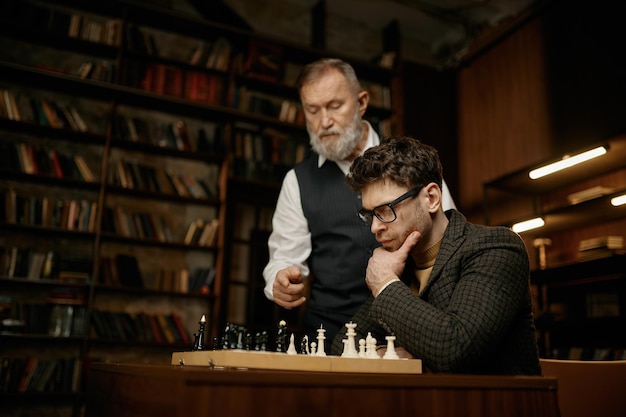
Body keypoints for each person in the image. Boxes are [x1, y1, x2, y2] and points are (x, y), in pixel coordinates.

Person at [262, 58, 456, 341]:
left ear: (362, 102)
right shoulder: (297, 181)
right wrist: (279, 279)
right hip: (329, 333)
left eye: (335, 106)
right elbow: (284, 257)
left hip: (409, 329)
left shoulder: (412, 162)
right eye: (312, 111)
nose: (324, 121)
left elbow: (451, 241)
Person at [330, 135, 541, 375]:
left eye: (385, 210)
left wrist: (385, 284)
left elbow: (456, 351)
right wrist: (387, 356)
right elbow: (343, 346)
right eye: (370, 214)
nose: (374, 228)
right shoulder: (403, 264)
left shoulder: (496, 248)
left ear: (431, 198)